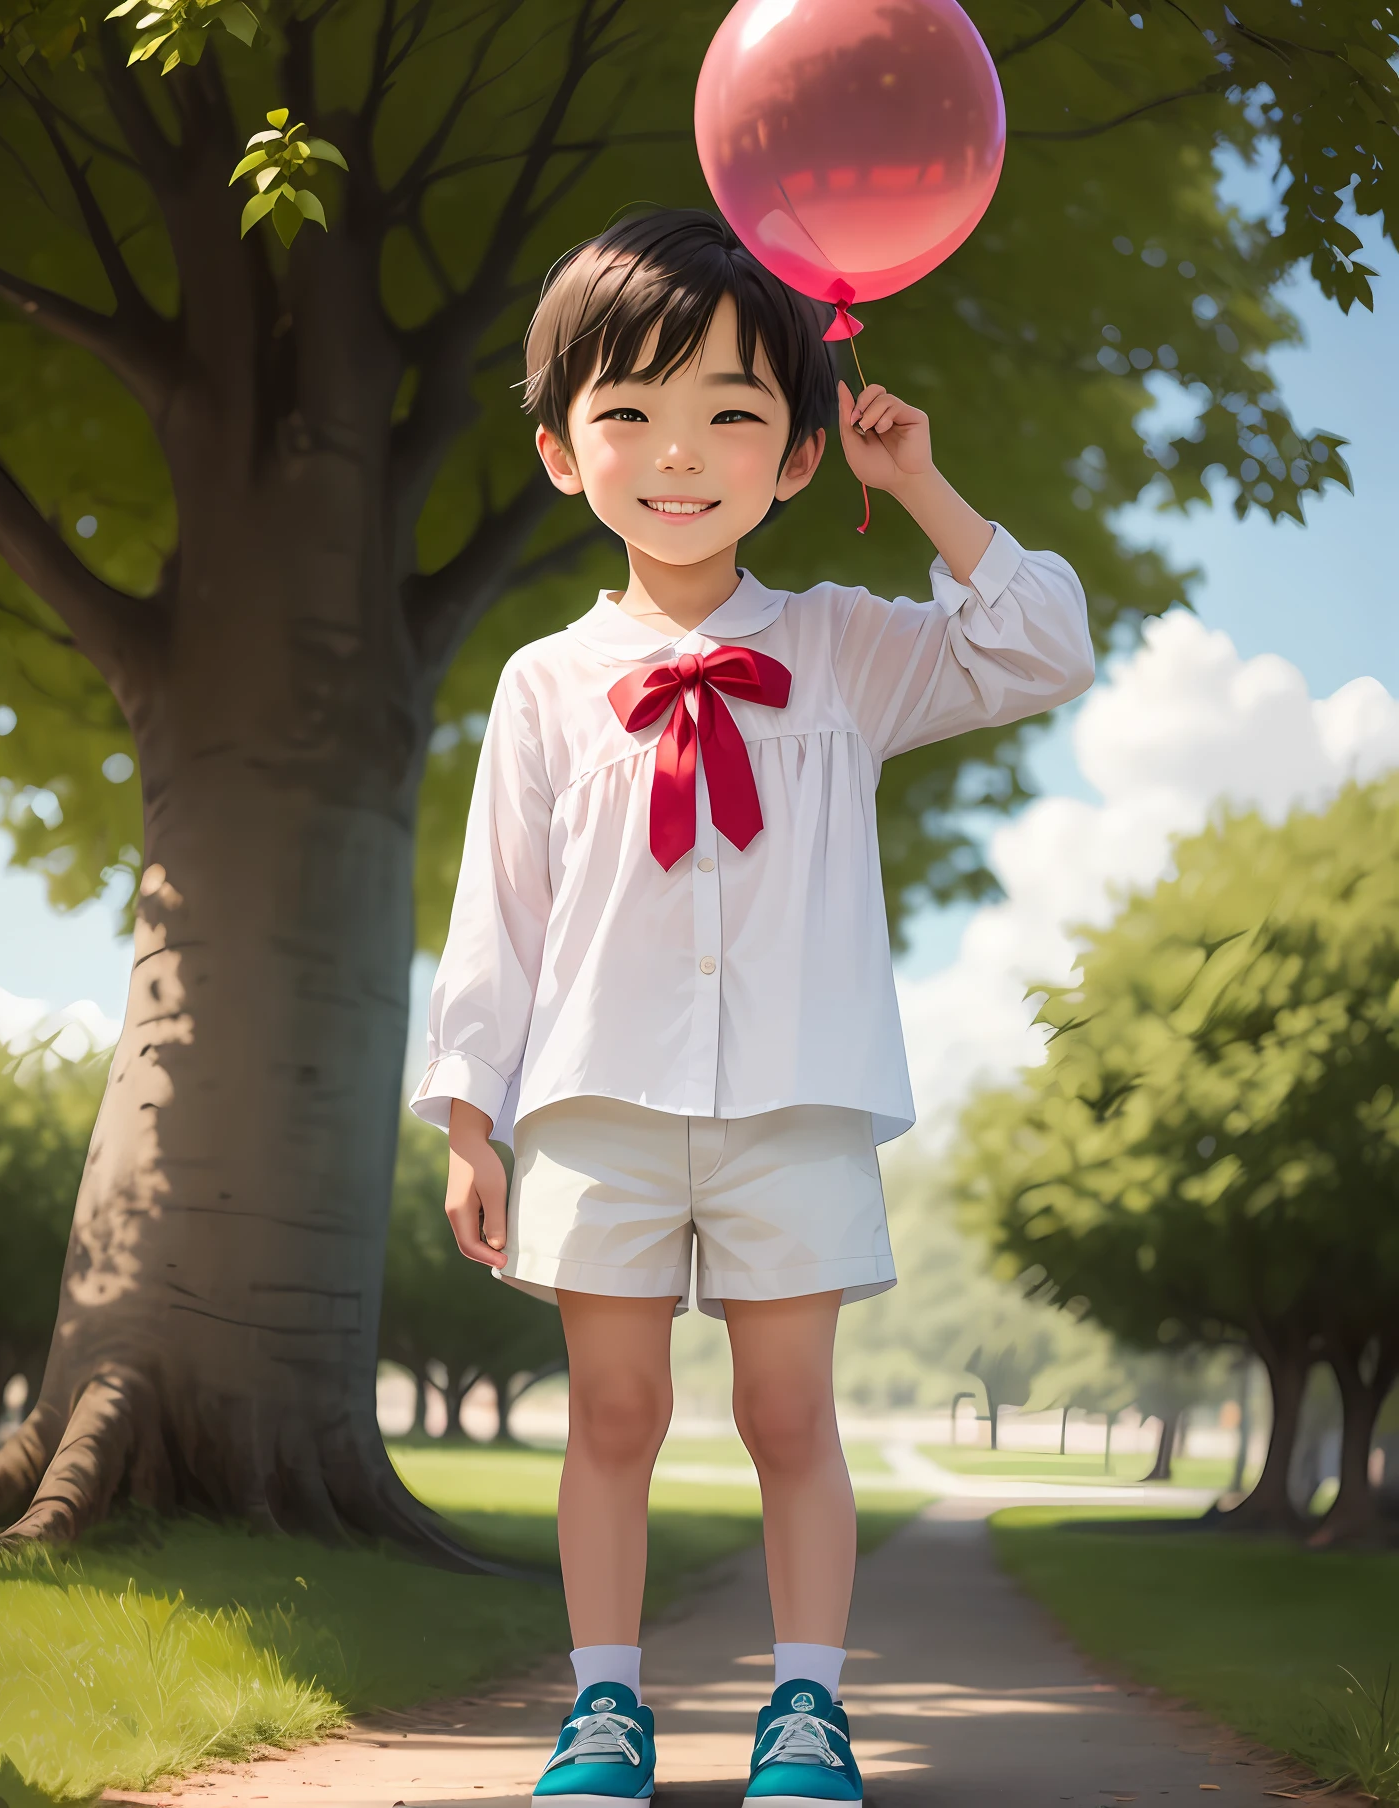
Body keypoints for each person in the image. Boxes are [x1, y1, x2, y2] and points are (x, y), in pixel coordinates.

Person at [410, 208, 1094, 1807]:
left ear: (795, 456)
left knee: (794, 1411)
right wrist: (468, 1116)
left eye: (731, 412)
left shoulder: (850, 650)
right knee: (617, 1413)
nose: (680, 452)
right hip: (595, 1105)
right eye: (630, 413)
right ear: (563, 452)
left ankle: (805, 1708)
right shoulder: (540, 683)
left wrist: (916, 478)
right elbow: (495, 913)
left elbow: (1044, 648)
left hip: (797, 1096)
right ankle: (602, 1709)